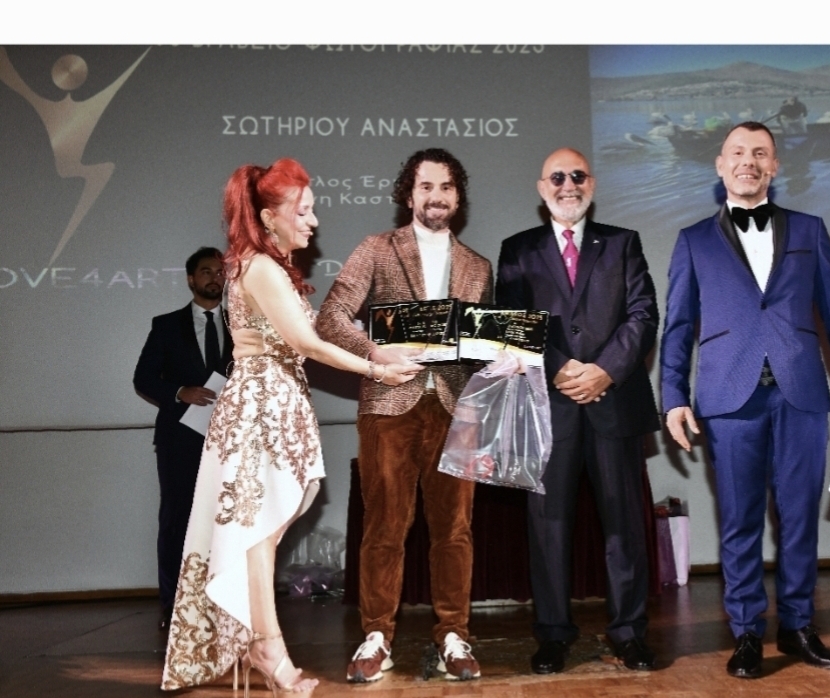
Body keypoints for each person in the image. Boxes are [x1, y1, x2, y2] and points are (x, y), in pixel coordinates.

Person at [161, 158, 419, 694]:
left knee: (266, 531)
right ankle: (268, 648)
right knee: (257, 534)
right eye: (303, 212)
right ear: (268, 216)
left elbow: (305, 335)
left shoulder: (265, 267)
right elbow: (305, 343)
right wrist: (377, 370)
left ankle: (261, 641)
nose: (314, 221)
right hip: (259, 409)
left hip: (277, 405)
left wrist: (381, 352)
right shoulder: (258, 267)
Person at [661, 122, 830, 679]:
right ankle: (747, 632)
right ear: (719, 165)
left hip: (801, 393)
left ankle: (799, 626)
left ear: (775, 166)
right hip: (727, 400)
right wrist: (672, 397)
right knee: (739, 521)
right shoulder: (692, 240)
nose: (748, 161)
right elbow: (677, 326)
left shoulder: (810, 230)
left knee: (800, 518)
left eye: (760, 153)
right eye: (737, 152)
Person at [315, 148, 493, 683]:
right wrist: (375, 351)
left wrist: (504, 353)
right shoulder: (377, 248)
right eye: (425, 186)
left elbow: (479, 346)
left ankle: (454, 635)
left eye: (446, 187)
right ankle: (377, 636)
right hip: (390, 404)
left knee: (455, 530)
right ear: (408, 195)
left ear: (458, 197)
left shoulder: (478, 266)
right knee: (384, 527)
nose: (436, 196)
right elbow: (330, 318)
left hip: (456, 409)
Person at [497, 148, 660, 674]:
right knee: (548, 527)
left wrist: (605, 370)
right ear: (541, 188)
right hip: (549, 406)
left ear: (592, 183)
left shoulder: (622, 242)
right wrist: (562, 367)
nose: (569, 185)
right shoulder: (517, 249)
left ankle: (629, 632)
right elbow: (512, 321)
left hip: (614, 402)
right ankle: (552, 634)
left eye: (578, 176)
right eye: (557, 177)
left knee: (624, 526)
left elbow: (643, 315)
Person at [134, 246, 233, 630]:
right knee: (177, 519)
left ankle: (224, 602)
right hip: (180, 439)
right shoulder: (166, 325)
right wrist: (179, 392)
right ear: (191, 279)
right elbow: (143, 378)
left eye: (220, 272)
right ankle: (174, 603)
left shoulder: (241, 323)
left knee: (228, 521)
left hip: (231, 439)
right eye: (206, 271)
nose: (215, 277)